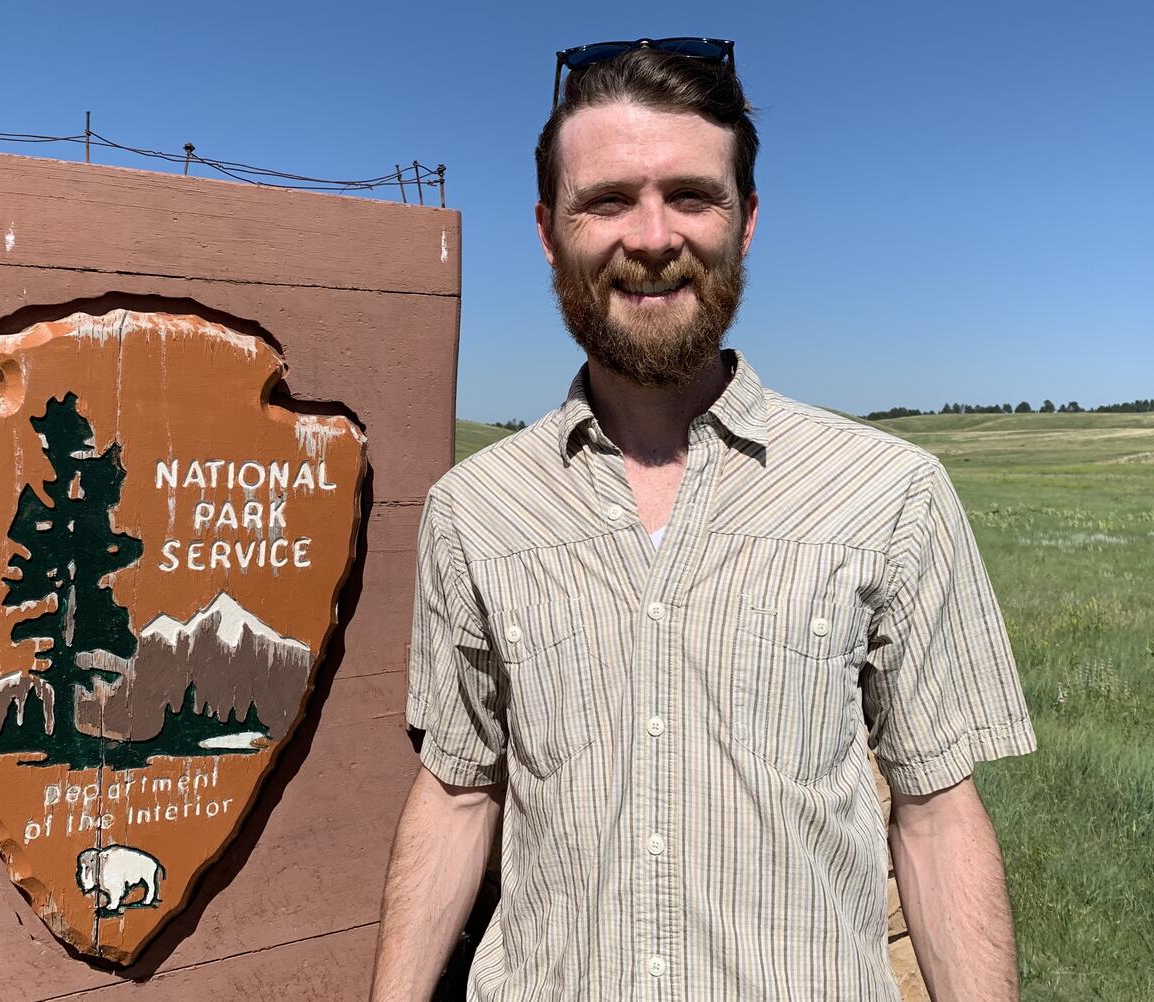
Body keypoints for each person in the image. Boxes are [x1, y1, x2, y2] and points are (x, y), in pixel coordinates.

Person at [371, 38, 1036, 1002]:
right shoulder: (475, 513)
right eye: (606, 201)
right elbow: (458, 789)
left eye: (691, 194)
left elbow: (935, 815)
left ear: (747, 221)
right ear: (550, 233)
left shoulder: (890, 495)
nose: (651, 237)